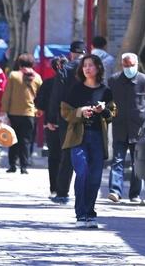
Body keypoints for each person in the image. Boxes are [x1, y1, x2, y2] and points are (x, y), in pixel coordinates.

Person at [61, 54, 116, 228]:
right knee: (82, 173)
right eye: (85, 65)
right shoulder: (75, 89)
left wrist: (102, 110)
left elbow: (112, 114)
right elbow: (65, 112)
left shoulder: (105, 91)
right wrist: (81, 112)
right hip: (78, 138)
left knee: (95, 177)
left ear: (98, 68)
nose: (87, 68)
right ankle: (81, 214)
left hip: (98, 137)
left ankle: (90, 213)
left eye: (91, 65)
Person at [106, 51, 145, 203]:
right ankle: (115, 191)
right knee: (117, 160)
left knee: (137, 161)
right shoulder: (113, 81)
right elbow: (108, 101)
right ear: (122, 65)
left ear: (137, 65)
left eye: (131, 65)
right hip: (120, 126)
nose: (129, 68)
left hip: (139, 128)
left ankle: (135, 194)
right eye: (126, 65)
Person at [50, 41, 86, 203]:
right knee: (87, 154)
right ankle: (85, 192)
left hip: (67, 117)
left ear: (71, 54)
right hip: (88, 115)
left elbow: (56, 96)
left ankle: (63, 193)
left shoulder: (65, 70)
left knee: (67, 154)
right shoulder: (92, 69)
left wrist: (52, 118)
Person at [0, 53, 42, 174]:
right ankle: (24, 166)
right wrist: (39, 109)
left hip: (14, 113)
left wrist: (4, 110)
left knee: (12, 139)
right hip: (29, 113)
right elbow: (40, 96)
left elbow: (7, 94)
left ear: (19, 64)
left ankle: (12, 165)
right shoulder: (37, 77)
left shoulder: (13, 75)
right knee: (26, 140)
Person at [37, 56, 65, 195]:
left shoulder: (48, 83)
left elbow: (39, 103)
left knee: (54, 156)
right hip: (68, 124)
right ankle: (63, 187)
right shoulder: (72, 84)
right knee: (65, 157)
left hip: (51, 123)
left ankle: (54, 187)